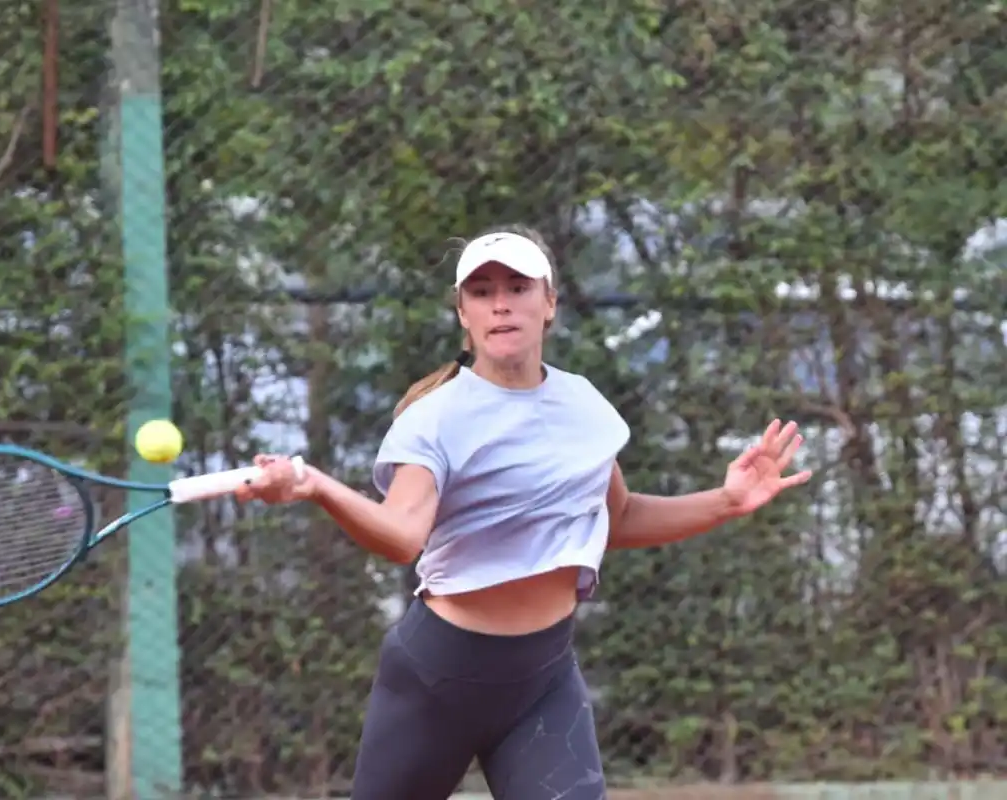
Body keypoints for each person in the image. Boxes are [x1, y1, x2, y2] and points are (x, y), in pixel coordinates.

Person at [234, 224, 812, 800]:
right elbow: (402, 536)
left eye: (518, 286)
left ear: (550, 302)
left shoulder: (583, 403)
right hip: (438, 677)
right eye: (482, 292)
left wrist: (727, 501)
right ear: (463, 313)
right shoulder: (435, 419)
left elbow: (618, 516)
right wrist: (316, 485)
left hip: (543, 679)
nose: (501, 303)